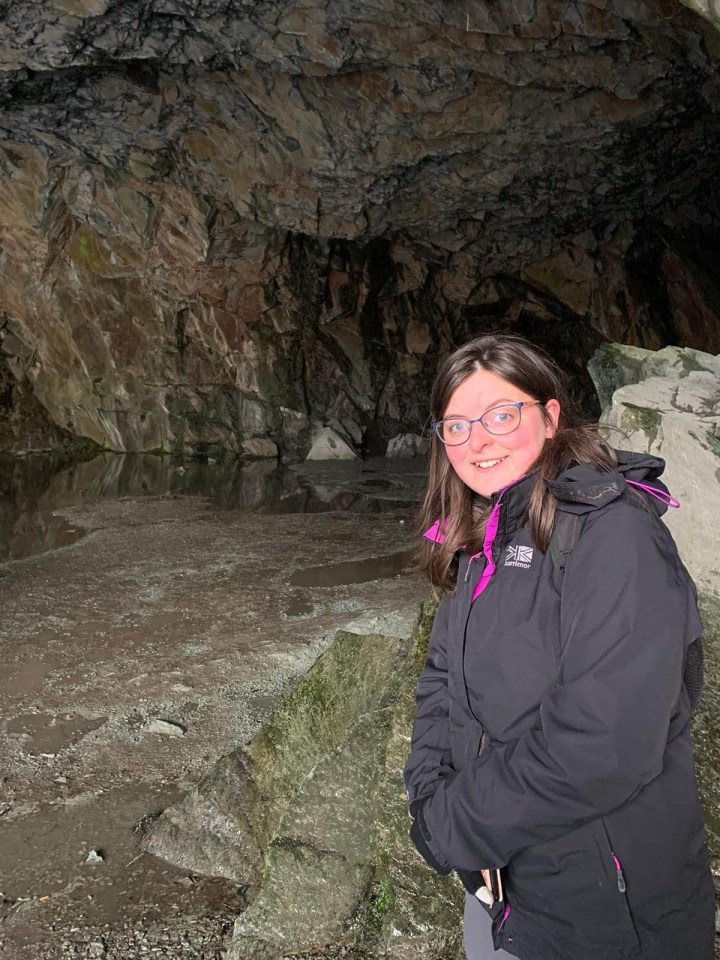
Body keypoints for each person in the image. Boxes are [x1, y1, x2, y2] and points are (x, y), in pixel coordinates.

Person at [403, 334, 715, 960]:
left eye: (500, 415)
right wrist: (433, 799)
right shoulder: (481, 537)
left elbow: (604, 743)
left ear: (550, 417)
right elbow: (441, 681)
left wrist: (450, 826)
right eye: (457, 426)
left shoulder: (613, 537)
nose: (477, 441)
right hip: (499, 888)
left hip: (609, 910)